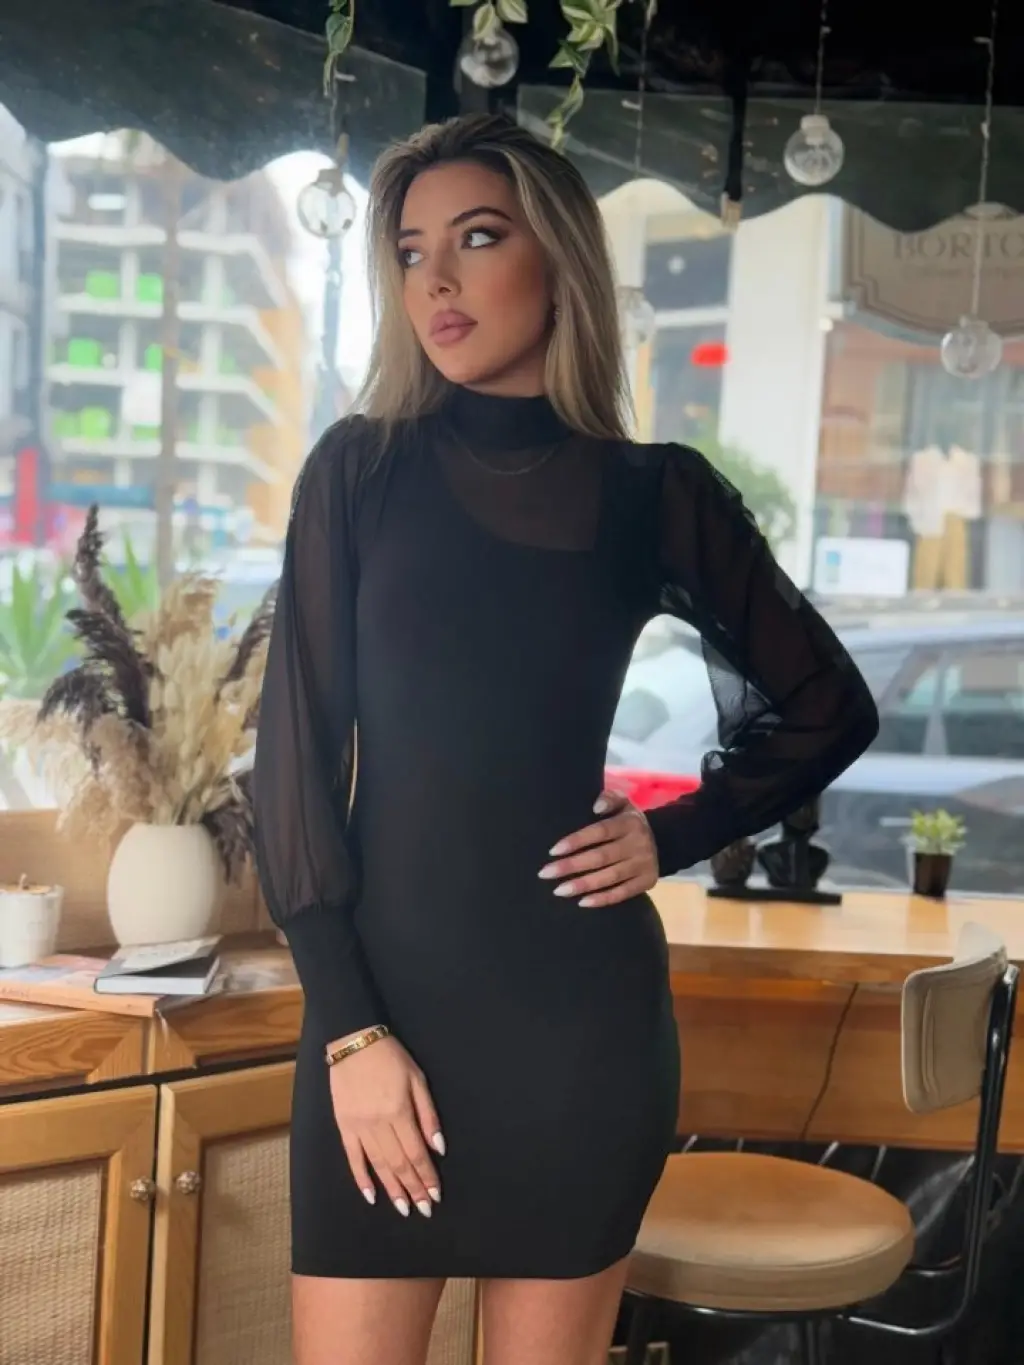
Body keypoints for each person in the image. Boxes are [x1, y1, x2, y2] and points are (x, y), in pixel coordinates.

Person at [252, 112, 879, 1365]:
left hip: (578, 1037)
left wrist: (674, 834)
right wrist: (352, 1031)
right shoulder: (358, 474)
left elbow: (829, 703)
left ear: (559, 261)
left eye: (477, 238)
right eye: (411, 251)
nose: (436, 279)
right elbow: (293, 772)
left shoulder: (655, 493)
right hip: (378, 1022)